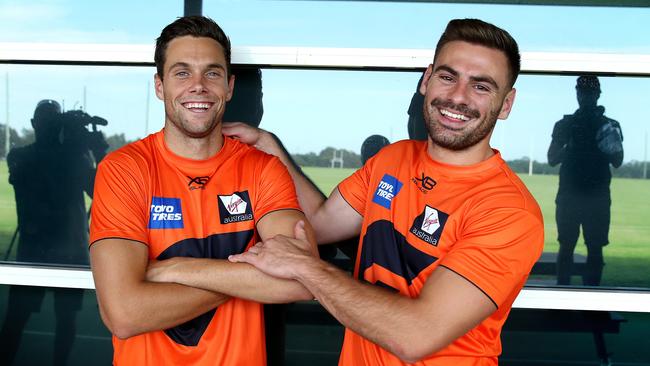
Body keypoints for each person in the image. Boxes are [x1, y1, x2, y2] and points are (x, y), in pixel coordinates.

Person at [223, 18, 544, 365]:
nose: (457, 96)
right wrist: (269, 147)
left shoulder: (509, 211)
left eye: (481, 86)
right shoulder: (394, 160)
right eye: (448, 77)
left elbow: (415, 335)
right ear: (427, 79)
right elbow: (320, 222)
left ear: (507, 104)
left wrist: (305, 268)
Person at [89, 16, 316, 366]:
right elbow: (124, 314)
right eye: (182, 73)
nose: (198, 86)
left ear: (229, 86)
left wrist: (174, 268)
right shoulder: (124, 169)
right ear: (159, 86)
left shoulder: (261, 169)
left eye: (212, 73)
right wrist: (249, 277)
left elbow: (302, 280)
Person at [0, 99, 106, 366]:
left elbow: (103, 192)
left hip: (56, 251)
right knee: (17, 321)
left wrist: (98, 152)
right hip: (45, 252)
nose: (48, 129)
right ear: (35, 124)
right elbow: (45, 180)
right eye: (46, 123)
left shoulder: (72, 157)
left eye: (52, 123)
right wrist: (83, 149)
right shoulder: (22, 157)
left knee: (61, 321)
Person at [547, 75, 623, 286]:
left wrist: (602, 142)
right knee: (567, 247)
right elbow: (552, 159)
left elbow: (617, 160)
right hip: (573, 196)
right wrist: (575, 146)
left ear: (597, 94)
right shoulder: (566, 125)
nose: (585, 96)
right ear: (577, 93)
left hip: (594, 197)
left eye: (589, 92)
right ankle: (562, 299)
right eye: (582, 92)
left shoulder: (608, 125)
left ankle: (592, 303)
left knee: (593, 248)